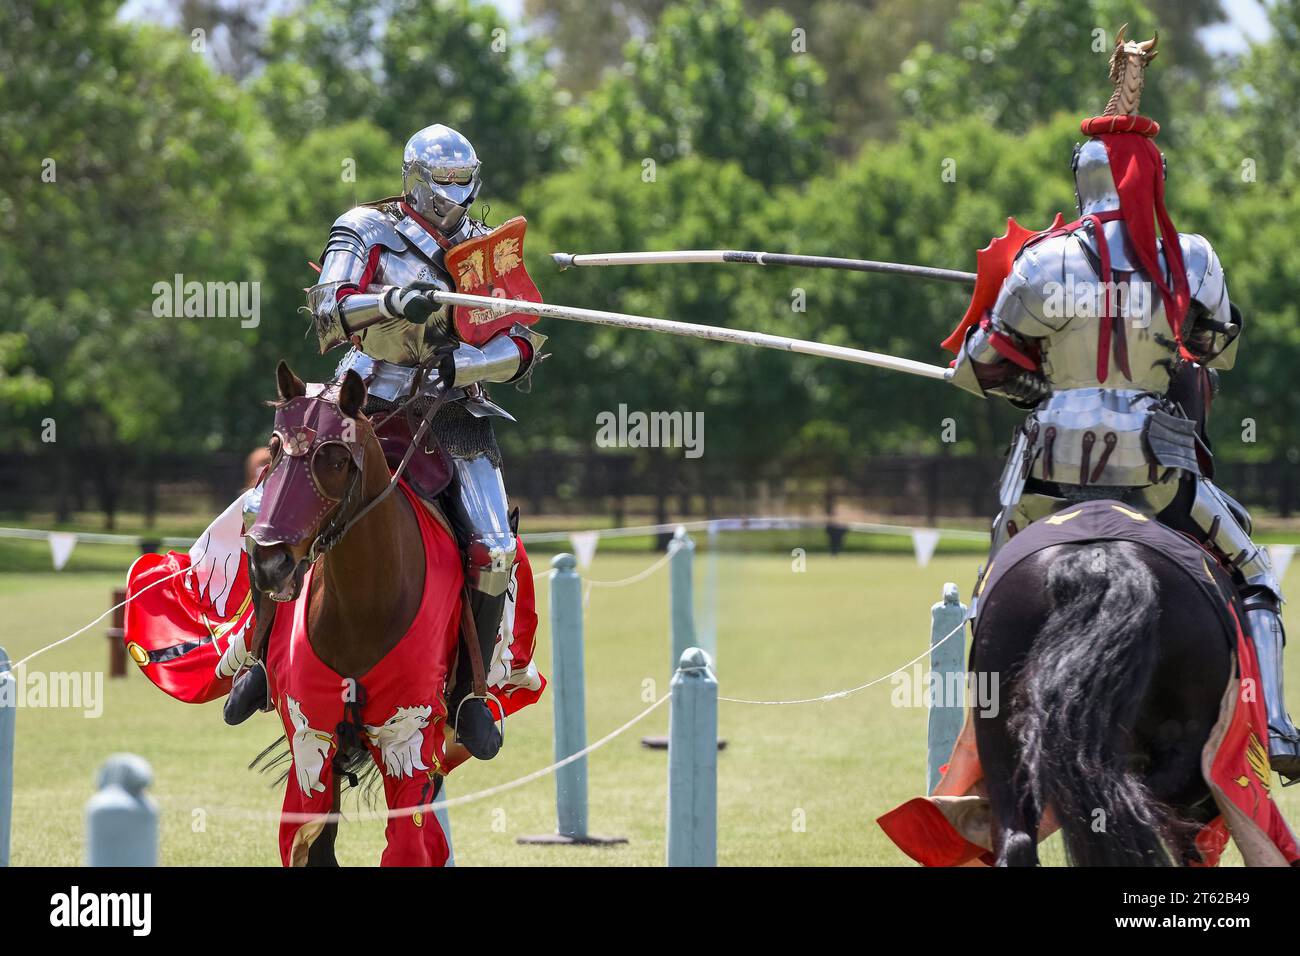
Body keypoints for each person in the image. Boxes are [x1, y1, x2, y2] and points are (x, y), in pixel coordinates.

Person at [947, 33, 1300, 778]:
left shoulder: (1041, 261)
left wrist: (1039, 385)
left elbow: (979, 367)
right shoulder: (1189, 257)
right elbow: (1217, 350)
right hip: (1155, 470)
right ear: (1150, 175)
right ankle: (1276, 725)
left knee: (994, 583)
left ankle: (980, 745)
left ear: (1083, 182)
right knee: (1253, 567)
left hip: (1051, 470)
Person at [200, 124, 546, 760]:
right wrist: (389, 301)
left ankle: (469, 695)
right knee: (265, 512)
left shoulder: (483, 250)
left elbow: (521, 345)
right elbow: (328, 309)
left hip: (450, 409)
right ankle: (259, 654)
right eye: (442, 180)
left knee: (496, 550)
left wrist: (467, 364)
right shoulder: (367, 228)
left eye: (462, 180)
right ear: (416, 178)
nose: (453, 192)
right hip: (361, 400)